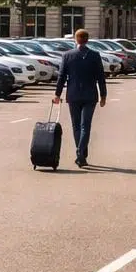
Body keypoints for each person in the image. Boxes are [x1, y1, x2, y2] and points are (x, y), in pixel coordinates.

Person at [52, 28, 107, 168]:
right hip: (90, 95)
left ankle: (80, 153)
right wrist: (103, 95)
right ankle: (81, 154)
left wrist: (57, 94)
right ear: (87, 40)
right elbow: (101, 76)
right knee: (85, 125)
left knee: (76, 126)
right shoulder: (95, 55)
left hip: (73, 94)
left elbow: (62, 76)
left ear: (75, 40)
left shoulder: (68, 55)